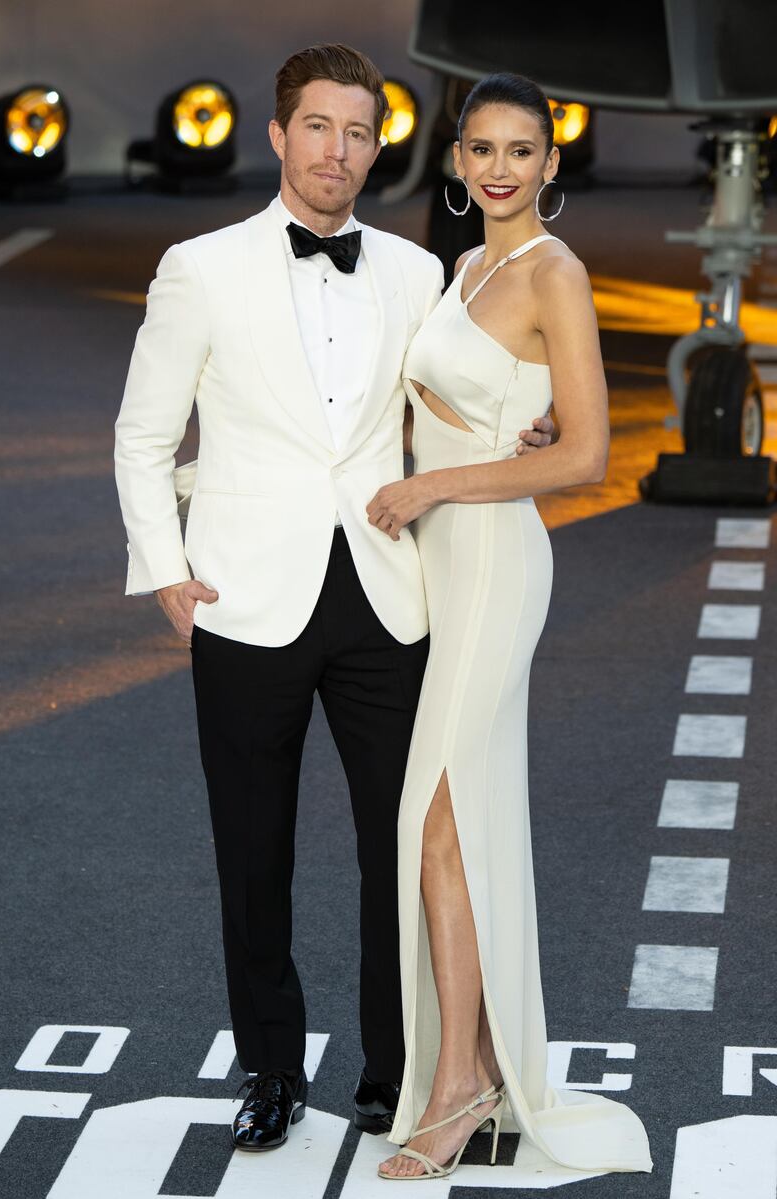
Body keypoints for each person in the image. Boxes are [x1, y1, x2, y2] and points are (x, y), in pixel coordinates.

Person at [114, 45, 553, 1154]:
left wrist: (528, 425)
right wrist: (166, 570)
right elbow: (142, 434)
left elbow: (459, 392)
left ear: (377, 145)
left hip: (384, 589)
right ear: (277, 134)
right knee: (252, 848)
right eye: (318, 127)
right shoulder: (198, 266)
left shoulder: (414, 272)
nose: (338, 150)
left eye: (358, 132)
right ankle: (267, 1066)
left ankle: (394, 1065)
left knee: (396, 844)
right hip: (243, 593)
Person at [370, 73, 653, 1181]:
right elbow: (471, 411)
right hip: (441, 560)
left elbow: (583, 455)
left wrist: (439, 487)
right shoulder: (462, 265)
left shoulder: (554, 274)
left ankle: (458, 1086)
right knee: (460, 820)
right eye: (479, 148)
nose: (497, 168)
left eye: (519, 151)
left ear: (550, 164)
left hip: (491, 561)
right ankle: (472, 1063)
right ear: (454, 157)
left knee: (437, 822)